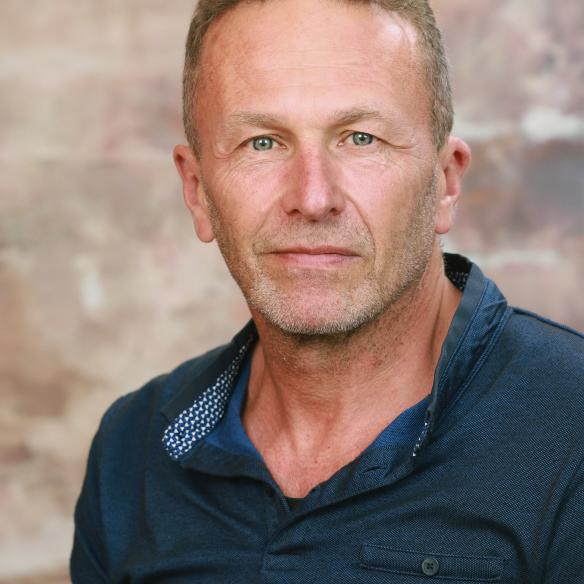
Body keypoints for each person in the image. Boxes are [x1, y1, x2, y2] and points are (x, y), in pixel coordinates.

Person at [70, 0, 584, 581]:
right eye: (262, 143)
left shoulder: (572, 431)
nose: (313, 199)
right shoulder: (131, 448)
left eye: (361, 138)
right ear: (197, 191)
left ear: (445, 182)